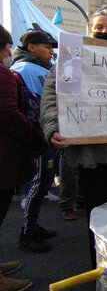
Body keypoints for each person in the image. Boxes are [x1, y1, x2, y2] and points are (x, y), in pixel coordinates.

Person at [40, 10, 107, 268]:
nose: (106, 31)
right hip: (95, 157)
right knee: (101, 219)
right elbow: (51, 100)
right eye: (100, 26)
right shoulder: (70, 61)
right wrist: (53, 128)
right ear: (90, 32)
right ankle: (102, 271)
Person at [0, 24, 41, 291]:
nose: (8, 52)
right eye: (6, 46)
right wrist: (37, 137)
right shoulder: (4, 75)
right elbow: (10, 116)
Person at [10, 30, 59, 253]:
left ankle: (33, 225)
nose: (51, 51)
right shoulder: (22, 70)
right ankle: (27, 232)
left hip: (45, 135)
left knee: (44, 183)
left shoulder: (43, 68)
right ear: (31, 47)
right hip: (37, 137)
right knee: (38, 184)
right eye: (46, 46)